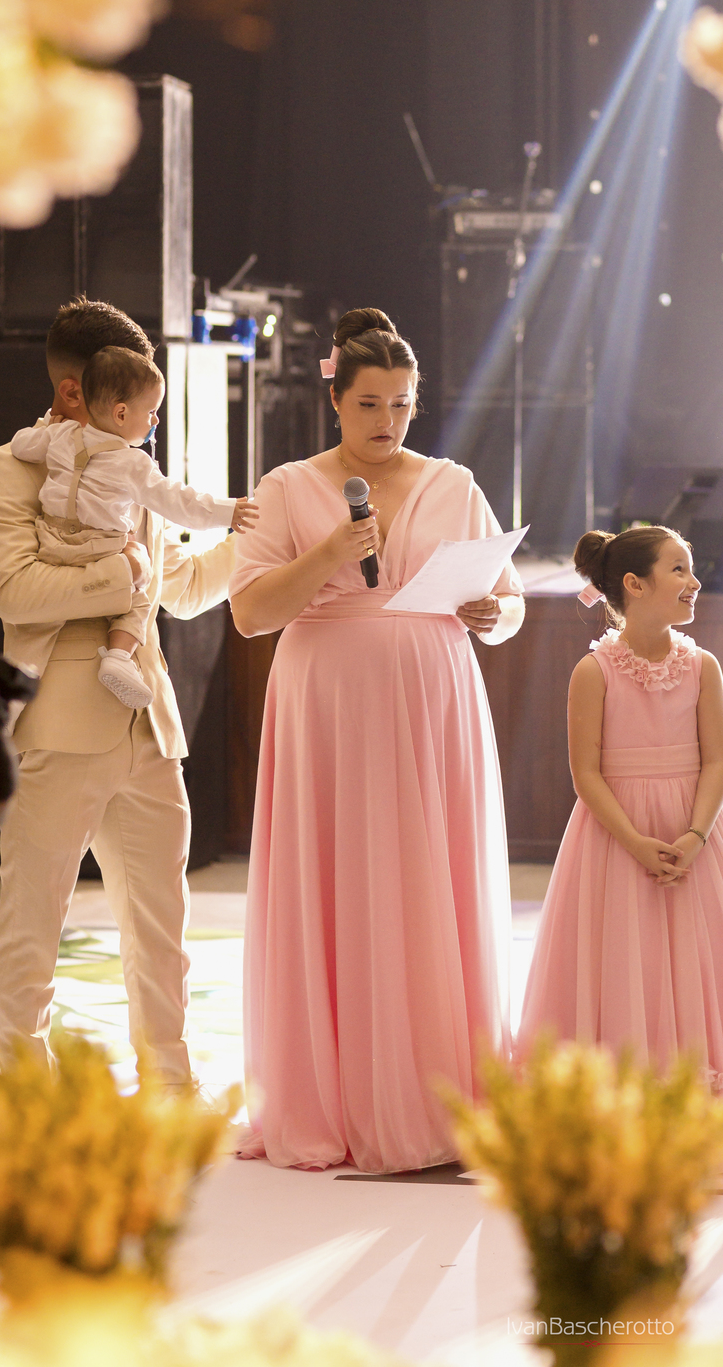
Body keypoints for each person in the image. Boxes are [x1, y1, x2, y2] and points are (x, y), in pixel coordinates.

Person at [230, 307, 525, 1173]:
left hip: (434, 698)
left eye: (400, 404)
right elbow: (250, 613)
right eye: (368, 404)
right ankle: (334, 1093)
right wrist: (330, 552)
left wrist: (494, 613)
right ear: (334, 400)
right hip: (326, 701)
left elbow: (510, 602)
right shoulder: (287, 486)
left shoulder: (454, 484)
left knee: (426, 876)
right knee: (336, 873)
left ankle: (434, 1088)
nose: (386, 421)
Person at [516, 525, 723, 1166]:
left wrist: (695, 834)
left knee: (708, 968)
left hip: (697, 835)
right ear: (634, 584)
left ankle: (712, 1114)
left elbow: (718, 762)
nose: (694, 582)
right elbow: (586, 773)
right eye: (678, 569)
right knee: (623, 965)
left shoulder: (703, 666)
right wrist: (633, 840)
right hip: (615, 839)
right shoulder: (593, 671)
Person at [0, 296, 237, 1083]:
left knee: (162, 927)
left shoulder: (133, 463)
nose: (144, 418)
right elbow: (16, 593)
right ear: (75, 390)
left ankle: (170, 1085)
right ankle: (28, 1091)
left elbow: (182, 587)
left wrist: (260, 538)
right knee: (32, 922)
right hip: (59, 729)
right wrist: (124, 573)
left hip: (150, 725)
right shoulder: (9, 468)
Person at [9, 344, 256, 709]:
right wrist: (229, 511)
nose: (156, 421)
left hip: (52, 540)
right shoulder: (132, 464)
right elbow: (180, 502)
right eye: (152, 411)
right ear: (121, 413)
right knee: (142, 591)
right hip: (100, 548)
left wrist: (49, 427)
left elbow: (20, 445)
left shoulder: (61, 435)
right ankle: (119, 656)